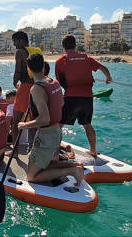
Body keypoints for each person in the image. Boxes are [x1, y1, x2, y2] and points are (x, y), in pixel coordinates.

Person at [19, 53, 84, 186]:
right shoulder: (54, 82)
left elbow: (44, 119)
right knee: (47, 164)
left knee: (31, 176)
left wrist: (23, 125)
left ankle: (73, 171)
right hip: (57, 132)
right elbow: (60, 104)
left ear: (28, 69)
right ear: (43, 66)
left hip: (46, 136)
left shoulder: (36, 89)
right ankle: (75, 165)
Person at [55, 34, 112, 157]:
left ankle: (54, 150)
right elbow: (103, 68)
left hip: (70, 98)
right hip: (87, 98)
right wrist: (108, 78)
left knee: (58, 125)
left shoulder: (60, 61)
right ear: (75, 46)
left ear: (63, 47)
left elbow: (59, 83)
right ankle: (93, 150)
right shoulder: (87, 58)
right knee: (87, 125)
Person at [11, 31, 42, 146]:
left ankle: (15, 152)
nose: (14, 44)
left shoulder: (20, 52)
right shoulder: (37, 51)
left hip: (25, 87)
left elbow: (18, 70)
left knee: (16, 122)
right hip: (38, 86)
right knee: (34, 121)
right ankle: (35, 150)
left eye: (15, 41)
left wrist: (15, 82)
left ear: (21, 40)